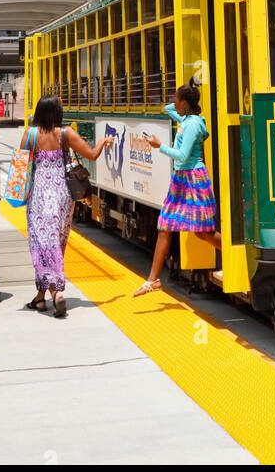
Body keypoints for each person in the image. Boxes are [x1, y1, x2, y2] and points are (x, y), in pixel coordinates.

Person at [22, 95, 113, 318]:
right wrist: (102, 142)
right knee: (56, 239)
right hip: (63, 194)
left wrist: (18, 195)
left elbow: (19, 167)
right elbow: (91, 154)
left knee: (42, 240)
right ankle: (41, 297)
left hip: (40, 193)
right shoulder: (66, 134)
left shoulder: (30, 135)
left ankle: (55, 293)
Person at [133, 83, 222, 297]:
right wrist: (179, 104)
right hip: (182, 180)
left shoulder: (191, 125)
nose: (173, 103)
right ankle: (152, 280)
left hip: (193, 179)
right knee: (165, 226)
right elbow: (168, 110)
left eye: (177, 99)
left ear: (184, 103)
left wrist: (159, 146)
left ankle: (233, 255)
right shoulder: (187, 121)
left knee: (203, 232)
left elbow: (182, 155)